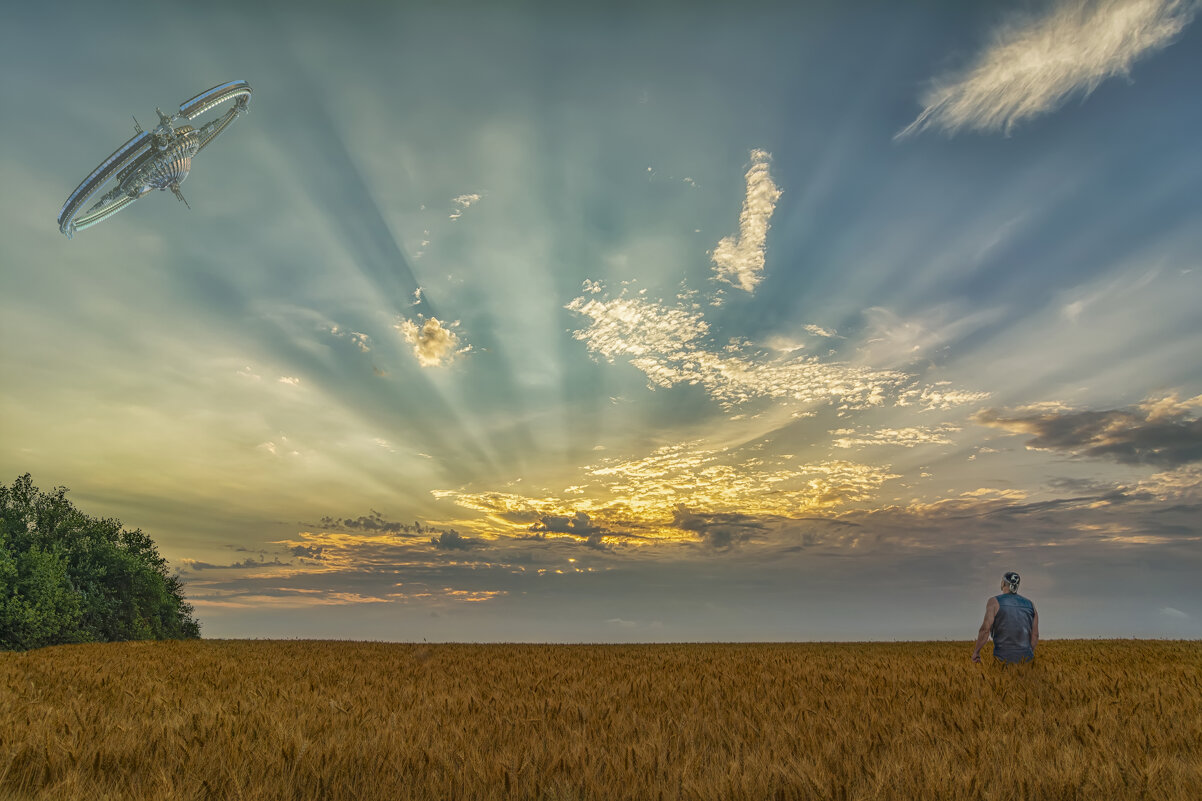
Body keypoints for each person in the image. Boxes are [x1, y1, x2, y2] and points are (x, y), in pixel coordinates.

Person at [971, 571, 1038, 663]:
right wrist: (1026, 655)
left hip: (1001, 660)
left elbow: (985, 630)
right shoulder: (1031, 604)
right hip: (1027, 659)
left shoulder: (994, 602)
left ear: (1003, 583)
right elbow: (1035, 635)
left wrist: (976, 652)